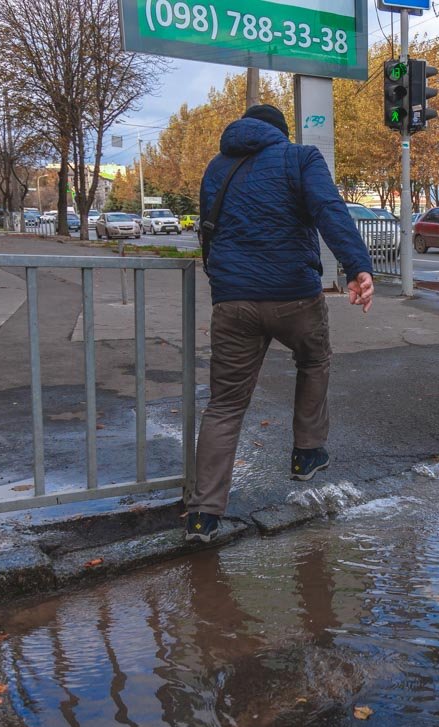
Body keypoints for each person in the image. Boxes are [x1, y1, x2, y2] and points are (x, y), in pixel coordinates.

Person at [185, 104, 374, 543]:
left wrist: (225, 282)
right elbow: (329, 209)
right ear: (281, 132)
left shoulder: (217, 167)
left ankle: (202, 516)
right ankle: (307, 453)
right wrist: (357, 267)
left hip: (233, 303)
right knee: (314, 359)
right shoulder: (299, 157)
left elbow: (207, 232)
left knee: (225, 405)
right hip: (294, 296)